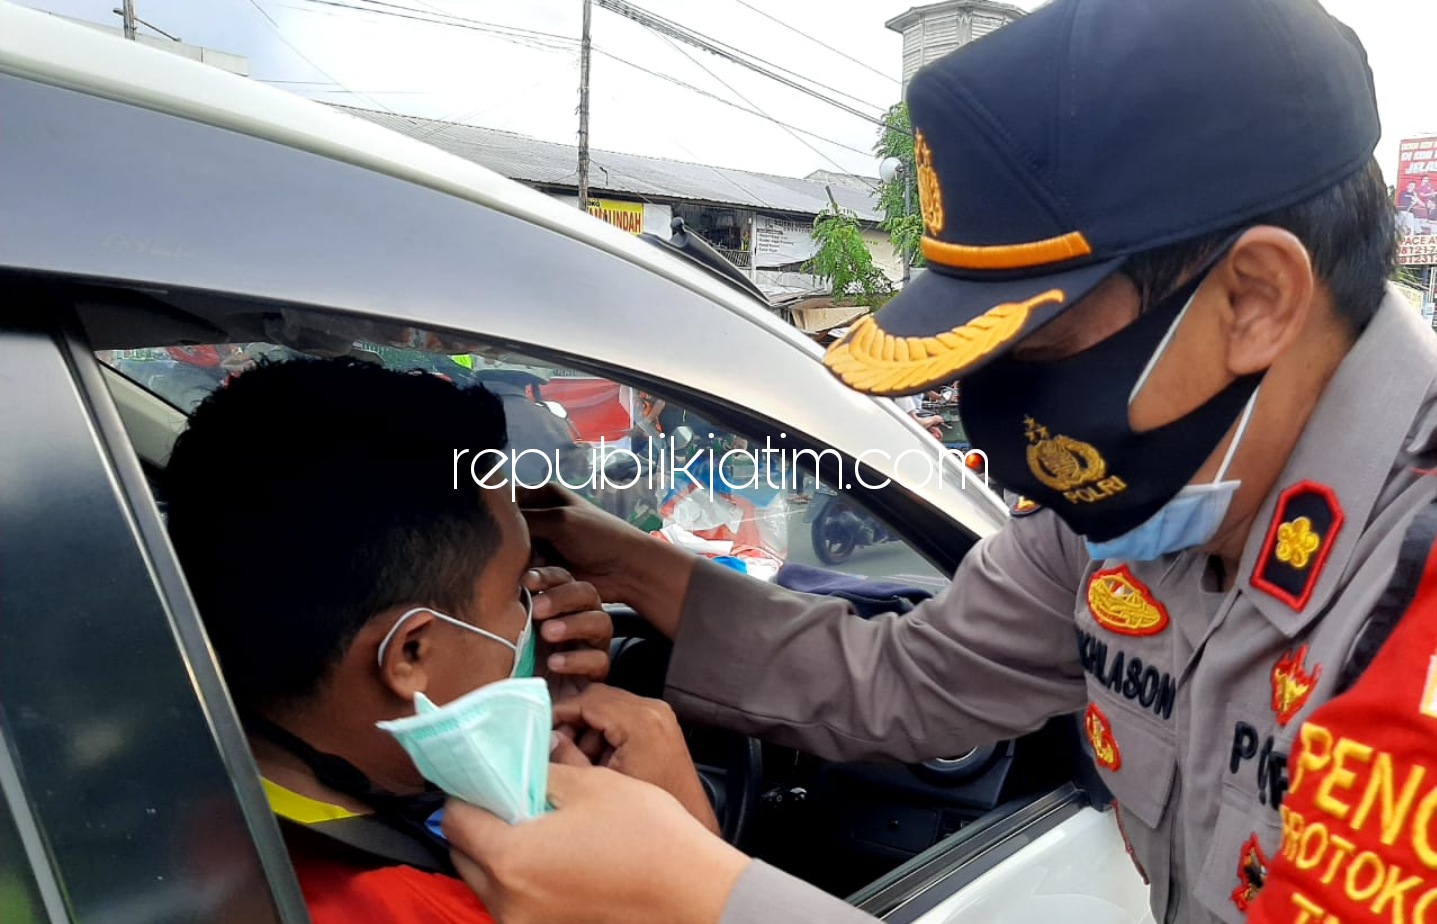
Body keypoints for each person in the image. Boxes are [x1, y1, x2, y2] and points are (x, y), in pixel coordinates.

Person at [434, 1, 1437, 923]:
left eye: (1035, 350)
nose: (1007, 425)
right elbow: (907, 679)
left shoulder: (1414, 608)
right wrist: (619, 560)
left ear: (1256, 299)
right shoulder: (1129, 513)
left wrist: (699, 894)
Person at [162, 357, 717, 924]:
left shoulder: (187, 796)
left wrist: (509, 692)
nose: (538, 605)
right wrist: (687, 838)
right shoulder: (430, 910)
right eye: (517, 587)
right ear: (409, 654)